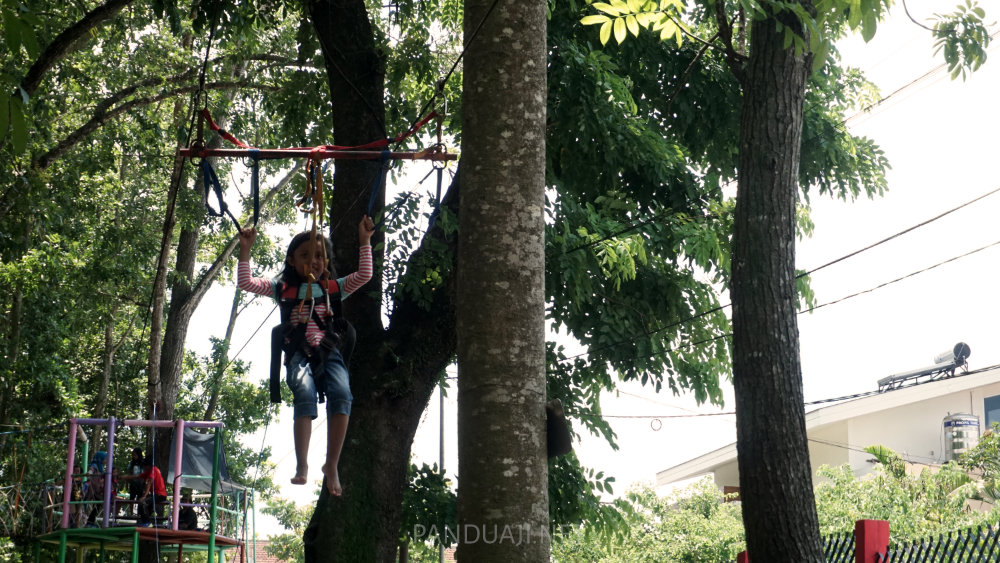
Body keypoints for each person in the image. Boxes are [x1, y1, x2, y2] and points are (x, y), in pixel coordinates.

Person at [237, 216, 374, 496]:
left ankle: (331, 465)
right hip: (299, 353)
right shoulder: (283, 289)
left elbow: (364, 275)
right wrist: (245, 249)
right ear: (291, 261)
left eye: (320, 256)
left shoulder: (332, 288)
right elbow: (246, 283)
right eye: (305, 256)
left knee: (342, 393)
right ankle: (302, 465)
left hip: (329, 350)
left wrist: (365, 241)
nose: (313, 261)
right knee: (303, 391)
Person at [121, 458, 167, 526]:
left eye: (145, 466)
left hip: (160, 495)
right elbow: (137, 476)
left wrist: (144, 496)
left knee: (143, 502)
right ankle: (145, 520)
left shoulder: (153, 470)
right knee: (141, 503)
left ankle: (147, 523)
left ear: (148, 465)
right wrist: (123, 477)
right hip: (154, 495)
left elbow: (149, 483)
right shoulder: (148, 471)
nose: (144, 467)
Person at [125, 447, 143, 516]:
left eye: (135, 455)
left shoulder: (142, 463)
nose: (134, 456)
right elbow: (129, 471)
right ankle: (131, 513)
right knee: (131, 498)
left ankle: (139, 513)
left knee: (139, 499)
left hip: (140, 484)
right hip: (133, 483)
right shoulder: (131, 463)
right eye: (133, 455)